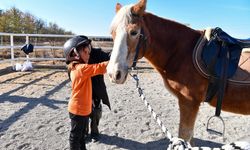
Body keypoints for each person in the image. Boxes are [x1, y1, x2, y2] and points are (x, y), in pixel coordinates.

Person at [64, 35, 108, 150]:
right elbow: (99, 67)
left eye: (89, 51)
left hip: (83, 110)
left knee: (81, 136)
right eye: (85, 51)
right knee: (75, 137)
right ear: (74, 53)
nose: (88, 54)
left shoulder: (78, 68)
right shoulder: (80, 69)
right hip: (78, 110)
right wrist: (116, 61)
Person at [87, 44, 111, 141]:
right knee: (83, 112)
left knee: (96, 110)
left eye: (87, 46)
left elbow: (109, 56)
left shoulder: (97, 53)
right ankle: (83, 132)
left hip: (96, 87)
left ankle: (94, 132)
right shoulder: (77, 57)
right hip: (83, 88)